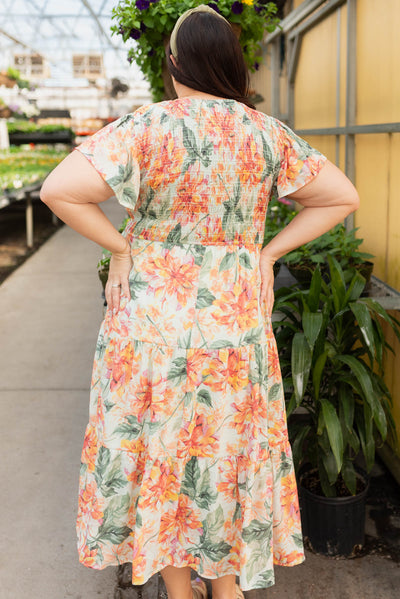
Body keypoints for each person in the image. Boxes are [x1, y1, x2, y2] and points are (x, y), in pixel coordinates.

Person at [40, 5, 359, 599]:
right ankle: (228, 587)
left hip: (151, 328)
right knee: (223, 452)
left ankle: (180, 590)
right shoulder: (264, 132)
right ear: (232, 65)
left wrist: (124, 248)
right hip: (233, 327)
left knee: (162, 448)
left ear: (174, 63)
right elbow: (341, 196)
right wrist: (265, 253)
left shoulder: (148, 127)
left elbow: (59, 189)